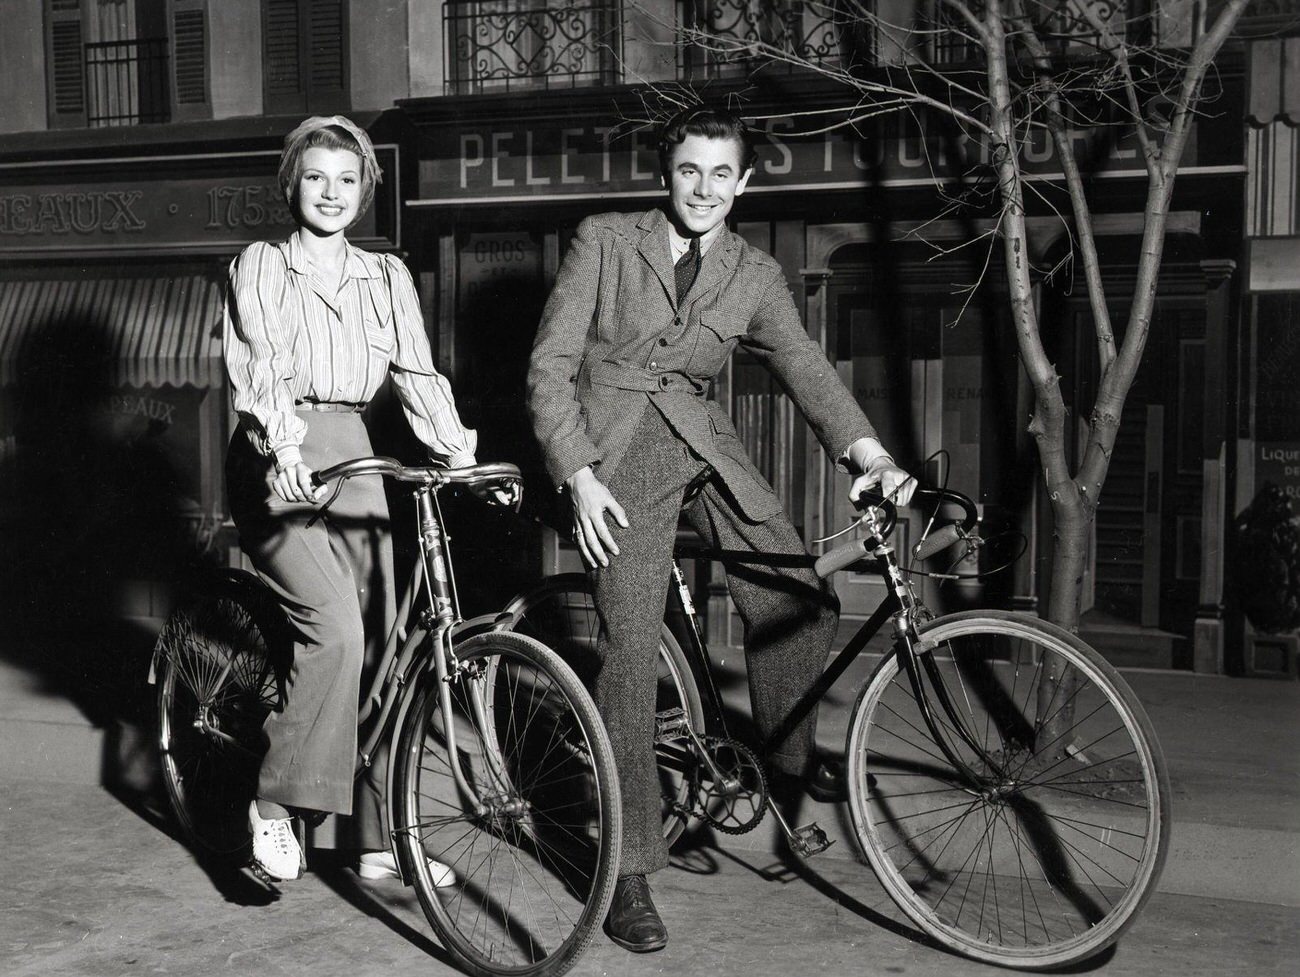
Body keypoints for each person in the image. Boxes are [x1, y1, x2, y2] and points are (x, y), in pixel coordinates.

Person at [527, 106, 916, 953]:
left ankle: (779, 768)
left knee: (803, 596)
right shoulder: (605, 239)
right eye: (688, 172)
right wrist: (581, 475)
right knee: (630, 652)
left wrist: (869, 454)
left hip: (704, 448)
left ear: (743, 183)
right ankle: (625, 867)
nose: (703, 188)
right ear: (667, 176)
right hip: (616, 460)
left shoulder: (753, 271)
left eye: (720, 175)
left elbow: (807, 367)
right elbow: (551, 365)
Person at [223, 115, 510, 884]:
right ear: (292, 184)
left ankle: (380, 836)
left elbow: (418, 376)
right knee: (340, 632)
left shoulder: (386, 277)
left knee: (390, 643)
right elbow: (263, 368)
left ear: (365, 191)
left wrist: (462, 456)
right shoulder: (261, 265)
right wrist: (283, 451)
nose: (330, 192)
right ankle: (275, 805)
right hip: (276, 455)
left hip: (358, 451)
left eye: (346, 179)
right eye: (315, 176)